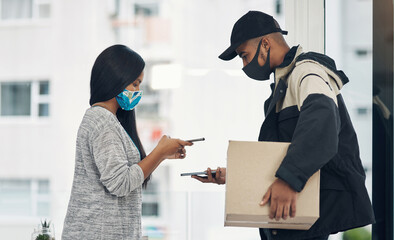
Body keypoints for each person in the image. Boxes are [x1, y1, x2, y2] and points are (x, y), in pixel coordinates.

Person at [193, 11, 375, 240]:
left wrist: (289, 179)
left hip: (307, 218)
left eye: (244, 55)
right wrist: (235, 176)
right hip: (293, 218)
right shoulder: (284, 85)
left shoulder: (307, 72)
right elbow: (283, 155)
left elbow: (322, 125)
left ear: (265, 44)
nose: (244, 64)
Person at [62, 45, 193, 240]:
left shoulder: (107, 120)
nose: (138, 91)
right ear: (115, 79)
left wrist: (162, 155)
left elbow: (125, 176)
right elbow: (120, 183)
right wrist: (159, 152)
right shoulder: (102, 121)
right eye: (135, 83)